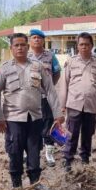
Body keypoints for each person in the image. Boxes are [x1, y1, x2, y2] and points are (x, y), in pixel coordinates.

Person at [0, 33, 63, 190]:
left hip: (35, 118)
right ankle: (16, 185)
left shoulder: (38, 66)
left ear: (27, 46)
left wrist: (58, 114)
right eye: (16, 45)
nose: (20, 48)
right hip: (13, 119)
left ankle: (35, 183)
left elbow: (50, 90)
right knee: (15, 152)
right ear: (11, 48)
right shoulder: (4, 69)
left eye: (23, 45)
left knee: (34, 151)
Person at [57, 32, 96, 172]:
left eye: (87, 44)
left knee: (88, 133)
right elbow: (64, 83)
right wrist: (62, 105)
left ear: (92, 46)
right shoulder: (71, 62)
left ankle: (85, 158)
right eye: (81, 44)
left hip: (91, 105)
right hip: (74, 103)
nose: (84, 47)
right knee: (71, 132)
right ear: (77, 46)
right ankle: (68, 159)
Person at [28, 29, 62, 168]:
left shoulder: (50, 56)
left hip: (46, 97)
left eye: (39, 38)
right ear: (30, 40)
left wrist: (50, 87)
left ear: (43, 40)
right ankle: (29, 152)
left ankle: (49, 153)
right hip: (30, 98)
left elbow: (57, 72)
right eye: (34, 37)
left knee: (49, 123)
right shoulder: (26, 55)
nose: (36, 40)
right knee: (30, 125)